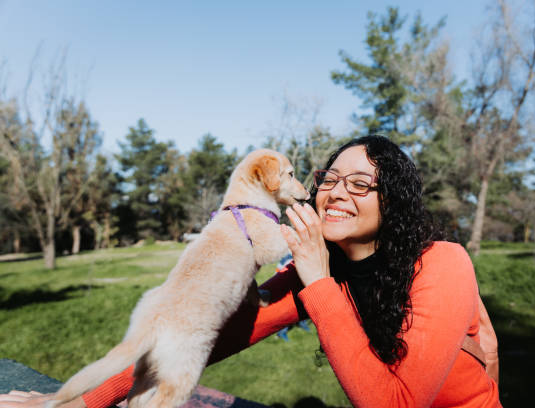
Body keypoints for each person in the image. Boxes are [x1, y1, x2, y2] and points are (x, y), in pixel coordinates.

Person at [0, 135, 501, 407]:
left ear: (393, 203)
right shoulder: (318, 275)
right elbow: (206, 334)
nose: (335, 192)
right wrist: (80, 404)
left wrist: (317, 279)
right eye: (330, 178)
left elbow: (397, 403)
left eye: (361, 184)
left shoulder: (442, 262)